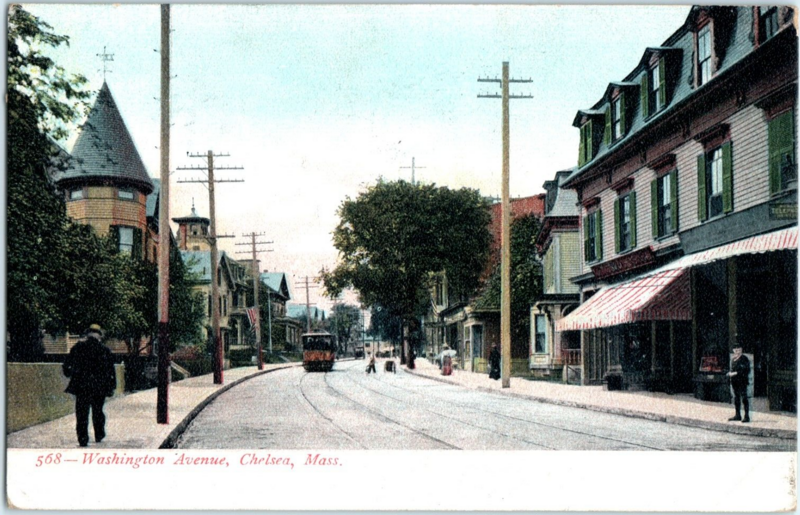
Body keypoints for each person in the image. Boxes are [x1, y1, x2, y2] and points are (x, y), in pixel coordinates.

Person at [63, 324, 117, 447]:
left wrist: (70, 374)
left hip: (82, 387)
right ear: (99, 336)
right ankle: (99, 434)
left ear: (88, 334)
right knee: (98, 411)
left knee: (82, 413)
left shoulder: (78, 347)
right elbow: (111, 371)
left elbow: (66, 365)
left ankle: (83, 439)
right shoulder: (105, 350)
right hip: (99, 387)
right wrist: (111, 387)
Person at [727, 345, 750, 423]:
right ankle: (737, 415)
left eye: (739, 349)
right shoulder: (733, 359)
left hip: (742, 381)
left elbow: (746, 370)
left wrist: (735, 373)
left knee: (744, 398)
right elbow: (732, 369)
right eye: (735, 350)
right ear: (733, 350)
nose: (737, 351)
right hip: (735, 382)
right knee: (736, 398)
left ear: (741, 350)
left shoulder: (744, 359)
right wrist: (730, 373)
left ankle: (746, 416)